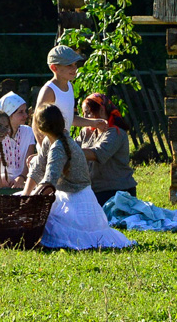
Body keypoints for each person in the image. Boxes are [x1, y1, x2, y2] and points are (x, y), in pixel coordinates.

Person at [22, 103, 135, 250]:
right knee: (25, 201)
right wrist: (25, 195)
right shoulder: (48, 141)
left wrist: (29, 205)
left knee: (49, 226)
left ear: (40, 126)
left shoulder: (58, 147)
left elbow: (49, 182)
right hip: (64, 196)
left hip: (77, 202)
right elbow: (38, 169)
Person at [35, 45, 108, 140]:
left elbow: (69, 118)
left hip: (63, 144)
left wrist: (93, 123)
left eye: (75, 64)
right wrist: (45, 151)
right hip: (52, 148)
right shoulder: (49, 91)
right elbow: (36, 124)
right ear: (54, 68)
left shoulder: (70, 86)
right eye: (69, 65)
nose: (74, 69)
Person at [78, 93, 138, 206]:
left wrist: (68, 150)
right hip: (94, 190)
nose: (85, 117)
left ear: (101, 110)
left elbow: (97, 153)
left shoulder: (115, 132)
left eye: (89, 113)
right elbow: (72, 145)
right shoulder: (87, 132)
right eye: (83, 113)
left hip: (116, 191)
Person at [0, 91, 36, 189]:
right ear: (9, 115)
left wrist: (21, 177)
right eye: (20, 112)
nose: (26, 116)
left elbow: (29, 161)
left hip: (22, 181)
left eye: (25, 111)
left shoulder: (28, 131)